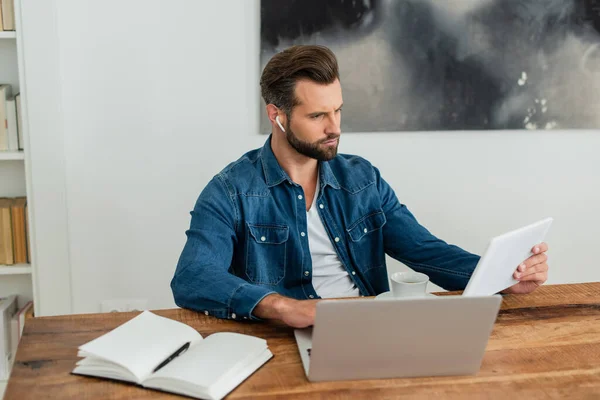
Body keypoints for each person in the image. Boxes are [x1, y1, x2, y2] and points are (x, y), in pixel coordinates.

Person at [170, 45, 549, 328]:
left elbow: (425, 251)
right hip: (286, 338)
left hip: (369, 328)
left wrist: (502, 276)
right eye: (317, 115)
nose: (334, 127)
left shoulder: (362, 179)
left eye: (337, 110)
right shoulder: (230, 190)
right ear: (277, 116)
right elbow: (193, 276)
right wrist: (283, 306)